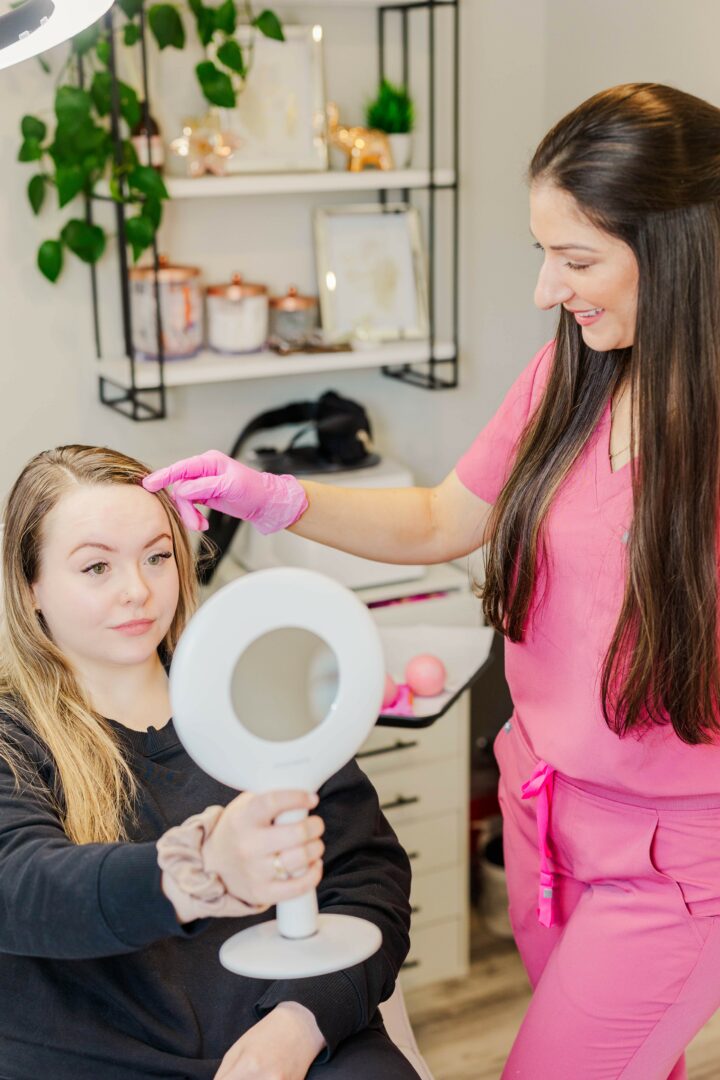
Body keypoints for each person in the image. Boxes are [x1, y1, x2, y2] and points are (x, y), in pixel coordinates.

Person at [146, 82, 720, 1079]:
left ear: (680, 248)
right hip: (542, 808)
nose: (546, 289)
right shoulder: (572, 377)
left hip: (677, 863)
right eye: (543, 251)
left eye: (577, 258)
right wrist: (268, 495)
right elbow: (443, 520)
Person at [0, 444, 417, 1080]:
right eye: (96, 568)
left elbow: (367, 879)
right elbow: (23, 887)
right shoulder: (12, 736)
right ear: (31, 588)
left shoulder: (257, 687)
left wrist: (298, 1025)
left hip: (290, 1040)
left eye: (157, 557)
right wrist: (200, 871)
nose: (137, 591)